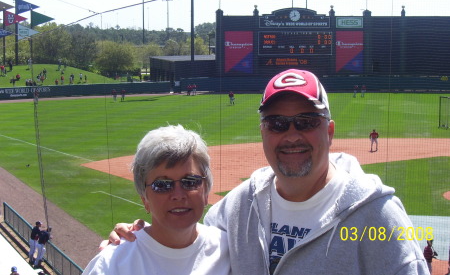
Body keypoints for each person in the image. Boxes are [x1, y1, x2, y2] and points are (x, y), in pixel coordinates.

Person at [106, 69, 428, 274]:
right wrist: (138, 236)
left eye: (306, 122)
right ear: (263, 132)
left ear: (328, 132)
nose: (291, 135)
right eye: (276, 123)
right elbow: (190, 235)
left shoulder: (376, 216)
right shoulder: (241, 205)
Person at [82, 125, 230, 275]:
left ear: (206, 191)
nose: (178, 194)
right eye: (162, 185)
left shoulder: (231, 250)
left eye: (190, 181)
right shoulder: (111, 264)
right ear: (145, 198)